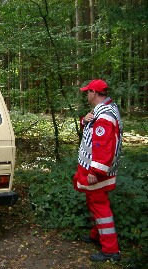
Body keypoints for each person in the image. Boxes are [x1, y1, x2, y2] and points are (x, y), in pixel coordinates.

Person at [73, 79, 123, 262]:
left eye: (88, 92)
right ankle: (97, 235)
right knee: (94, 202)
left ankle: (110, 249)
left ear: (94, 93)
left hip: (97, 172)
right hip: (93, 169)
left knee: (100, 206)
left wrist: (95, 172)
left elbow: (103, 147)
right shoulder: (103, 110)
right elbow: (91, 131)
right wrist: (83, 120)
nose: (86, 95)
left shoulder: (104, 117)